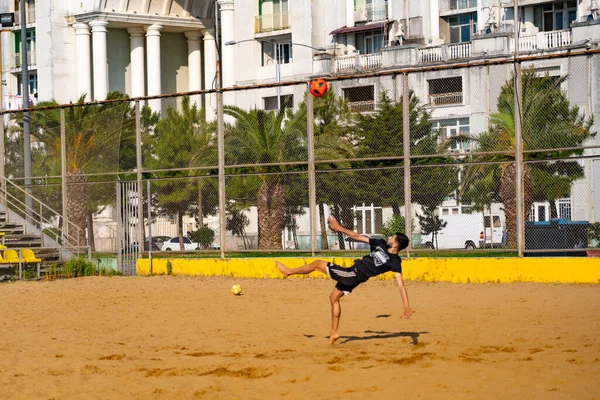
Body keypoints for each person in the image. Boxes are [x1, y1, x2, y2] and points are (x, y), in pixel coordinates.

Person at [276, 216, 414, 345]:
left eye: (392, 237)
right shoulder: (380, 244)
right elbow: (356, 236)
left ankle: (288, 272)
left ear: (396, 244)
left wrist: (406, 306)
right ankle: (334, 333)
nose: (389, 237)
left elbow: (401, 286)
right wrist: (339, 228)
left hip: (353, 275)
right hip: (351, 273)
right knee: (333, 298)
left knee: (317, 264)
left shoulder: (395, 262)